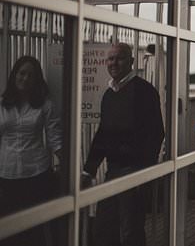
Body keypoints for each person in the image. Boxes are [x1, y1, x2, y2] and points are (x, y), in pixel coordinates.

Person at [82, 43, 165, 246]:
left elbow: (156, 133)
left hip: (133, 172)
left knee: (131, 232)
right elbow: (103, 135)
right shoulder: (109, 94)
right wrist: (89, 170)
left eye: (119, 58)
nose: (114, 63)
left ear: (132, 62)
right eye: (110, 59)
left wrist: (142, 173)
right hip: (113, 172)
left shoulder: (145, 92)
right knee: (104, 227)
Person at [0, 55, 62, 244]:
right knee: (8, 226)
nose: (25, 78)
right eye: (22, 73)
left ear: (36, 80)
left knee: (34, 228)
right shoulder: (2, 104)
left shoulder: (45, 104)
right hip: (6, 173)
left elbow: (55, 139)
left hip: (36, 174)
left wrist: (71, 167)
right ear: (14, 75)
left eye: (31, 76)